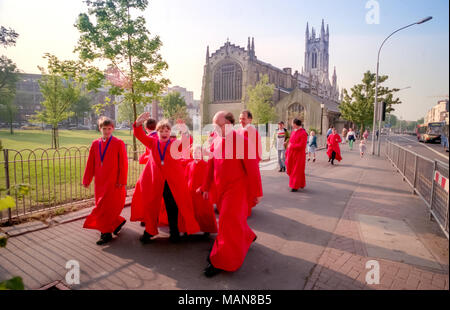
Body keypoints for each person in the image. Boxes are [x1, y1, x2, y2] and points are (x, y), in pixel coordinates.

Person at [199, 111, 262, 277]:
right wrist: (205, 186)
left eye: (218, 125)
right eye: (214, 125)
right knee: (232, 221)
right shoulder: (216, 140)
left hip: (236, 190)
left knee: (227, 223)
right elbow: (211, 164)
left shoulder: (242, 141)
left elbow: (253, 169)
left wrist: (256, 192)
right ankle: (247, 236)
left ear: (229, 124)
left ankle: (223, 261)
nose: (216, 129)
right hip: (222, 189)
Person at [132, 113, 200, 244]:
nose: (164, 132)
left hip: (171, 182)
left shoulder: (175, 143)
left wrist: (184, 130)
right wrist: (138, 124)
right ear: (157, 132)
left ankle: (174, 232)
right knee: (151, 206)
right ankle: (149, 231)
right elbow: (140, 135)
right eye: (161, 130)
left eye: (167, 130)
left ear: (170, 132)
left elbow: (188, 142)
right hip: (155, 181)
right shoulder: (152, 142)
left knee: (172, 207)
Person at [82, 117, 128, 245]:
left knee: (108, 207)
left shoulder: (118, 143)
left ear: (113, 129)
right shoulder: (95, 144)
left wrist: (122, 180)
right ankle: (118, 222)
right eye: (104, 129)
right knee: (102, 206)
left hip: (114, 182)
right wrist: (87, 179)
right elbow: (90, 163)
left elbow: (123, 164)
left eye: (109, 129)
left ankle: (105, 233)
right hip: (100, 182)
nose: (107, 131)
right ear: (99, 129)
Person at [186, 146, 218, 236]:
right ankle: (191, 229)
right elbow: (186, 177)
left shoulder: (206, 165)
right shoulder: (189, 165)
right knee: (193, 211)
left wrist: (203, 188)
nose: (196, 155)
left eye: (199, 153)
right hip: (191, 191)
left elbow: (208, 179)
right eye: (194, 153)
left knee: (204, 211)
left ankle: (207, 228)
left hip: (202, 192)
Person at [237, 110, 263, 217]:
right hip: (239, 163)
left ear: (250, 119)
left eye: (243, 118)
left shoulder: (252, 132)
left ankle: (246, 209)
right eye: (240, 118)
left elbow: (254, 150)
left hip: (248, 164)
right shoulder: (239, 130)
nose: (241, 121)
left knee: (247, 187)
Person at [285, 119, 308, 192]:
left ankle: (294, 186)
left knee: (296, 170)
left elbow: (302, 145)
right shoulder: (293, 132)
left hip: (299, 155)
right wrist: (288, 149)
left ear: (295, 124)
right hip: (292, 154)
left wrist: (292, 146)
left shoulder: (303, 133)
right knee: (293, 169)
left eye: (292, 123)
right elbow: (290, 142)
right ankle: (301, 183)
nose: (292, 125)